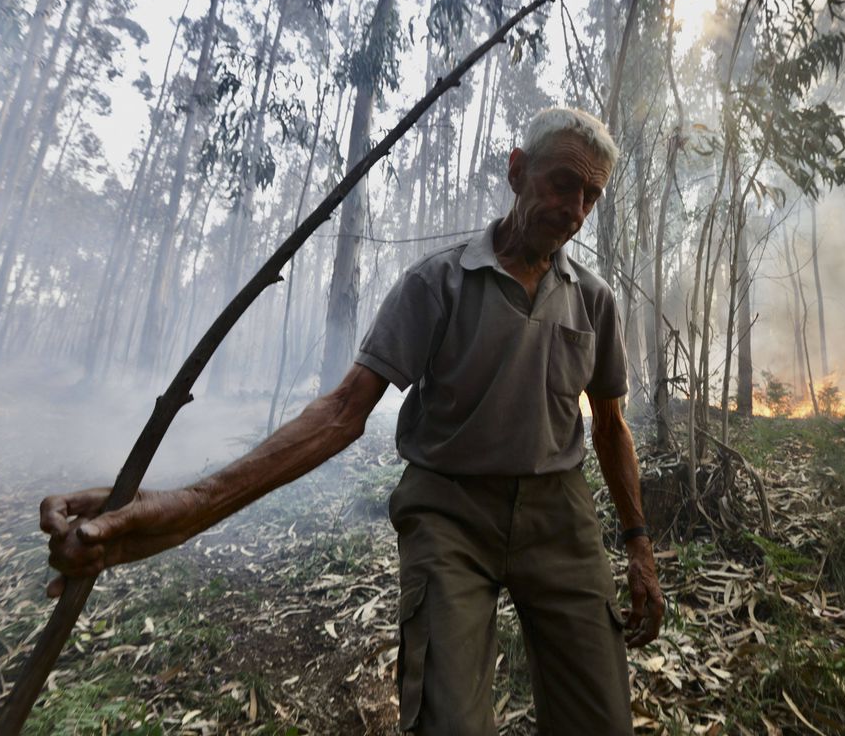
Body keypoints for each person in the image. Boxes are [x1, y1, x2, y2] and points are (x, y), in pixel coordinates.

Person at [41, 107, 664, 735]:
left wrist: (639, 547)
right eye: (563, 183)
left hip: (560, 517)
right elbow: (342, 413)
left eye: (592, 195)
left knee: (602, 718)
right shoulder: (437, 284)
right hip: (450, 515)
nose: (576, 210)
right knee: (447, 721)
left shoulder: (593, 299)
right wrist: (184, 507)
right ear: (517, 170)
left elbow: (610, 427)